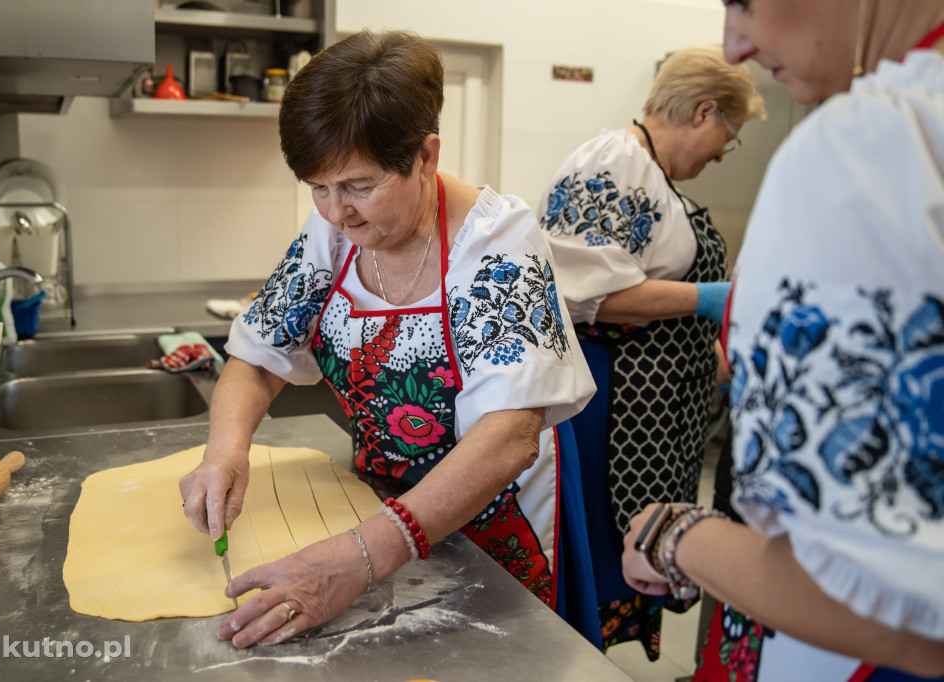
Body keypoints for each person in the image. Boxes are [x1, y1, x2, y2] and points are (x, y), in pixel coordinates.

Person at [179, 29, 595, 648]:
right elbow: (257, 357)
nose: (335, 211)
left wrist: (355, 561)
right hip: (370, 509)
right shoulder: (335, 234)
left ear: (425, 157)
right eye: (318, 188)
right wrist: (225, 450)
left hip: (490, 527)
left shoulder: (494, 244)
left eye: (357, 186)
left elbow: (509, 436)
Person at [621, 1, 944, 679]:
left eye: (744, 3)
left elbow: (874, 598)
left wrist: (675, 535)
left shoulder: (878, 142)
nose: (734, 45)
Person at [536, 45, 765, 657]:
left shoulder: (652, 173)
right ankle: (577, 662)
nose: (721, 153)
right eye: (729, 136)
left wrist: (710, 360)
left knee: (631, 544)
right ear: (705, 113)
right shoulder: (614, 163)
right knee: (603, 545)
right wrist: (711, 300)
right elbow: (592, 296)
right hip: (611, 410)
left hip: (653, 407)